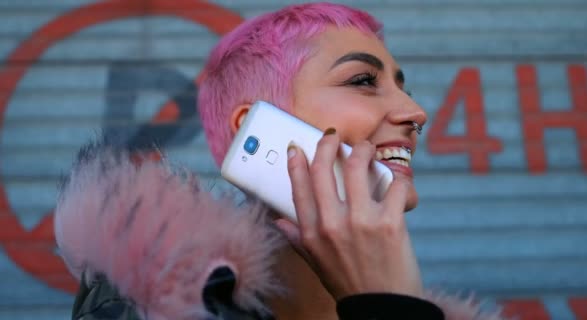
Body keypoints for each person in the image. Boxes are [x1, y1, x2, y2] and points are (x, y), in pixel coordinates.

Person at [56, 2, 504, 320]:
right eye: (364, 80)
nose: (415, 111)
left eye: (404, 87)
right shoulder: (144, 307)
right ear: (255, 126)